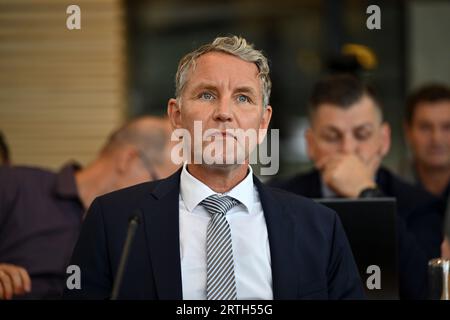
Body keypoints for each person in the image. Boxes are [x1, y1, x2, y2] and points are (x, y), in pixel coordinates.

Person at [64, 36, 364, 300]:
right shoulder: (112, 220)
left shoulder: (320, 227)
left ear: (262, 123)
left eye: (243, 98)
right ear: (177, 115)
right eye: (206, 94)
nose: (224, 113)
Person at [270, 74, 443, 299]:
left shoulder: (420, 204)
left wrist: (368, 193)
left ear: (384, 140)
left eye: (362, 134)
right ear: (311, 144)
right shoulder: (279, 199)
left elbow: (426, 291)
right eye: (332, 136)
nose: (348, 149)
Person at [0, 116, 179, 299]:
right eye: (160, 184)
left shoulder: (133, 234)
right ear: (128, 159)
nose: (162, 197)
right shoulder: (13, 187)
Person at [403, 84, 450, 214]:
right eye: (425, 127)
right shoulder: (385, 191)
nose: (436, 139)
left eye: (447, 127)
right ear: (408, 131)